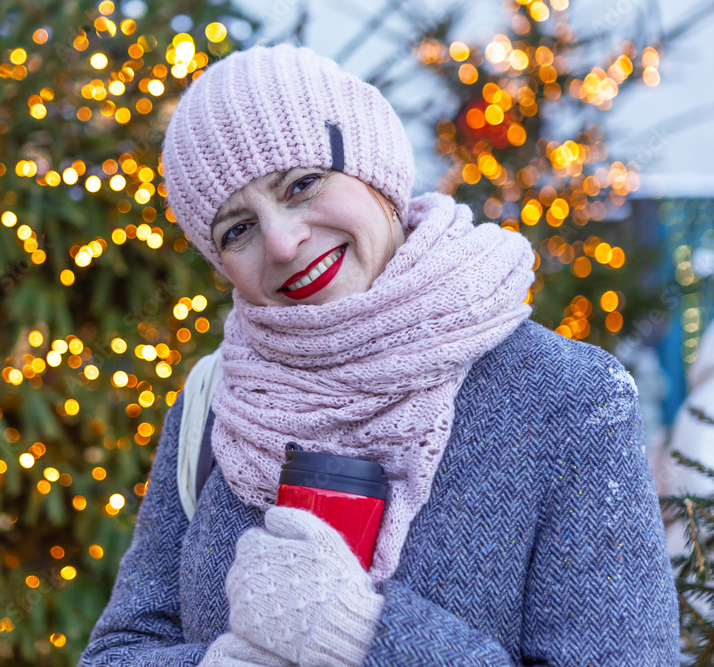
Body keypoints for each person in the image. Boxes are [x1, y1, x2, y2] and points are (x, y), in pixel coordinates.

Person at [79, 43, 678, 666]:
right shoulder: (218, 403)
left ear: (374, 170)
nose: (283, 243)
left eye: (301, 185)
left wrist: (360, 632)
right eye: (238, 229)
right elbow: (118, 653)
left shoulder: (567, 399)